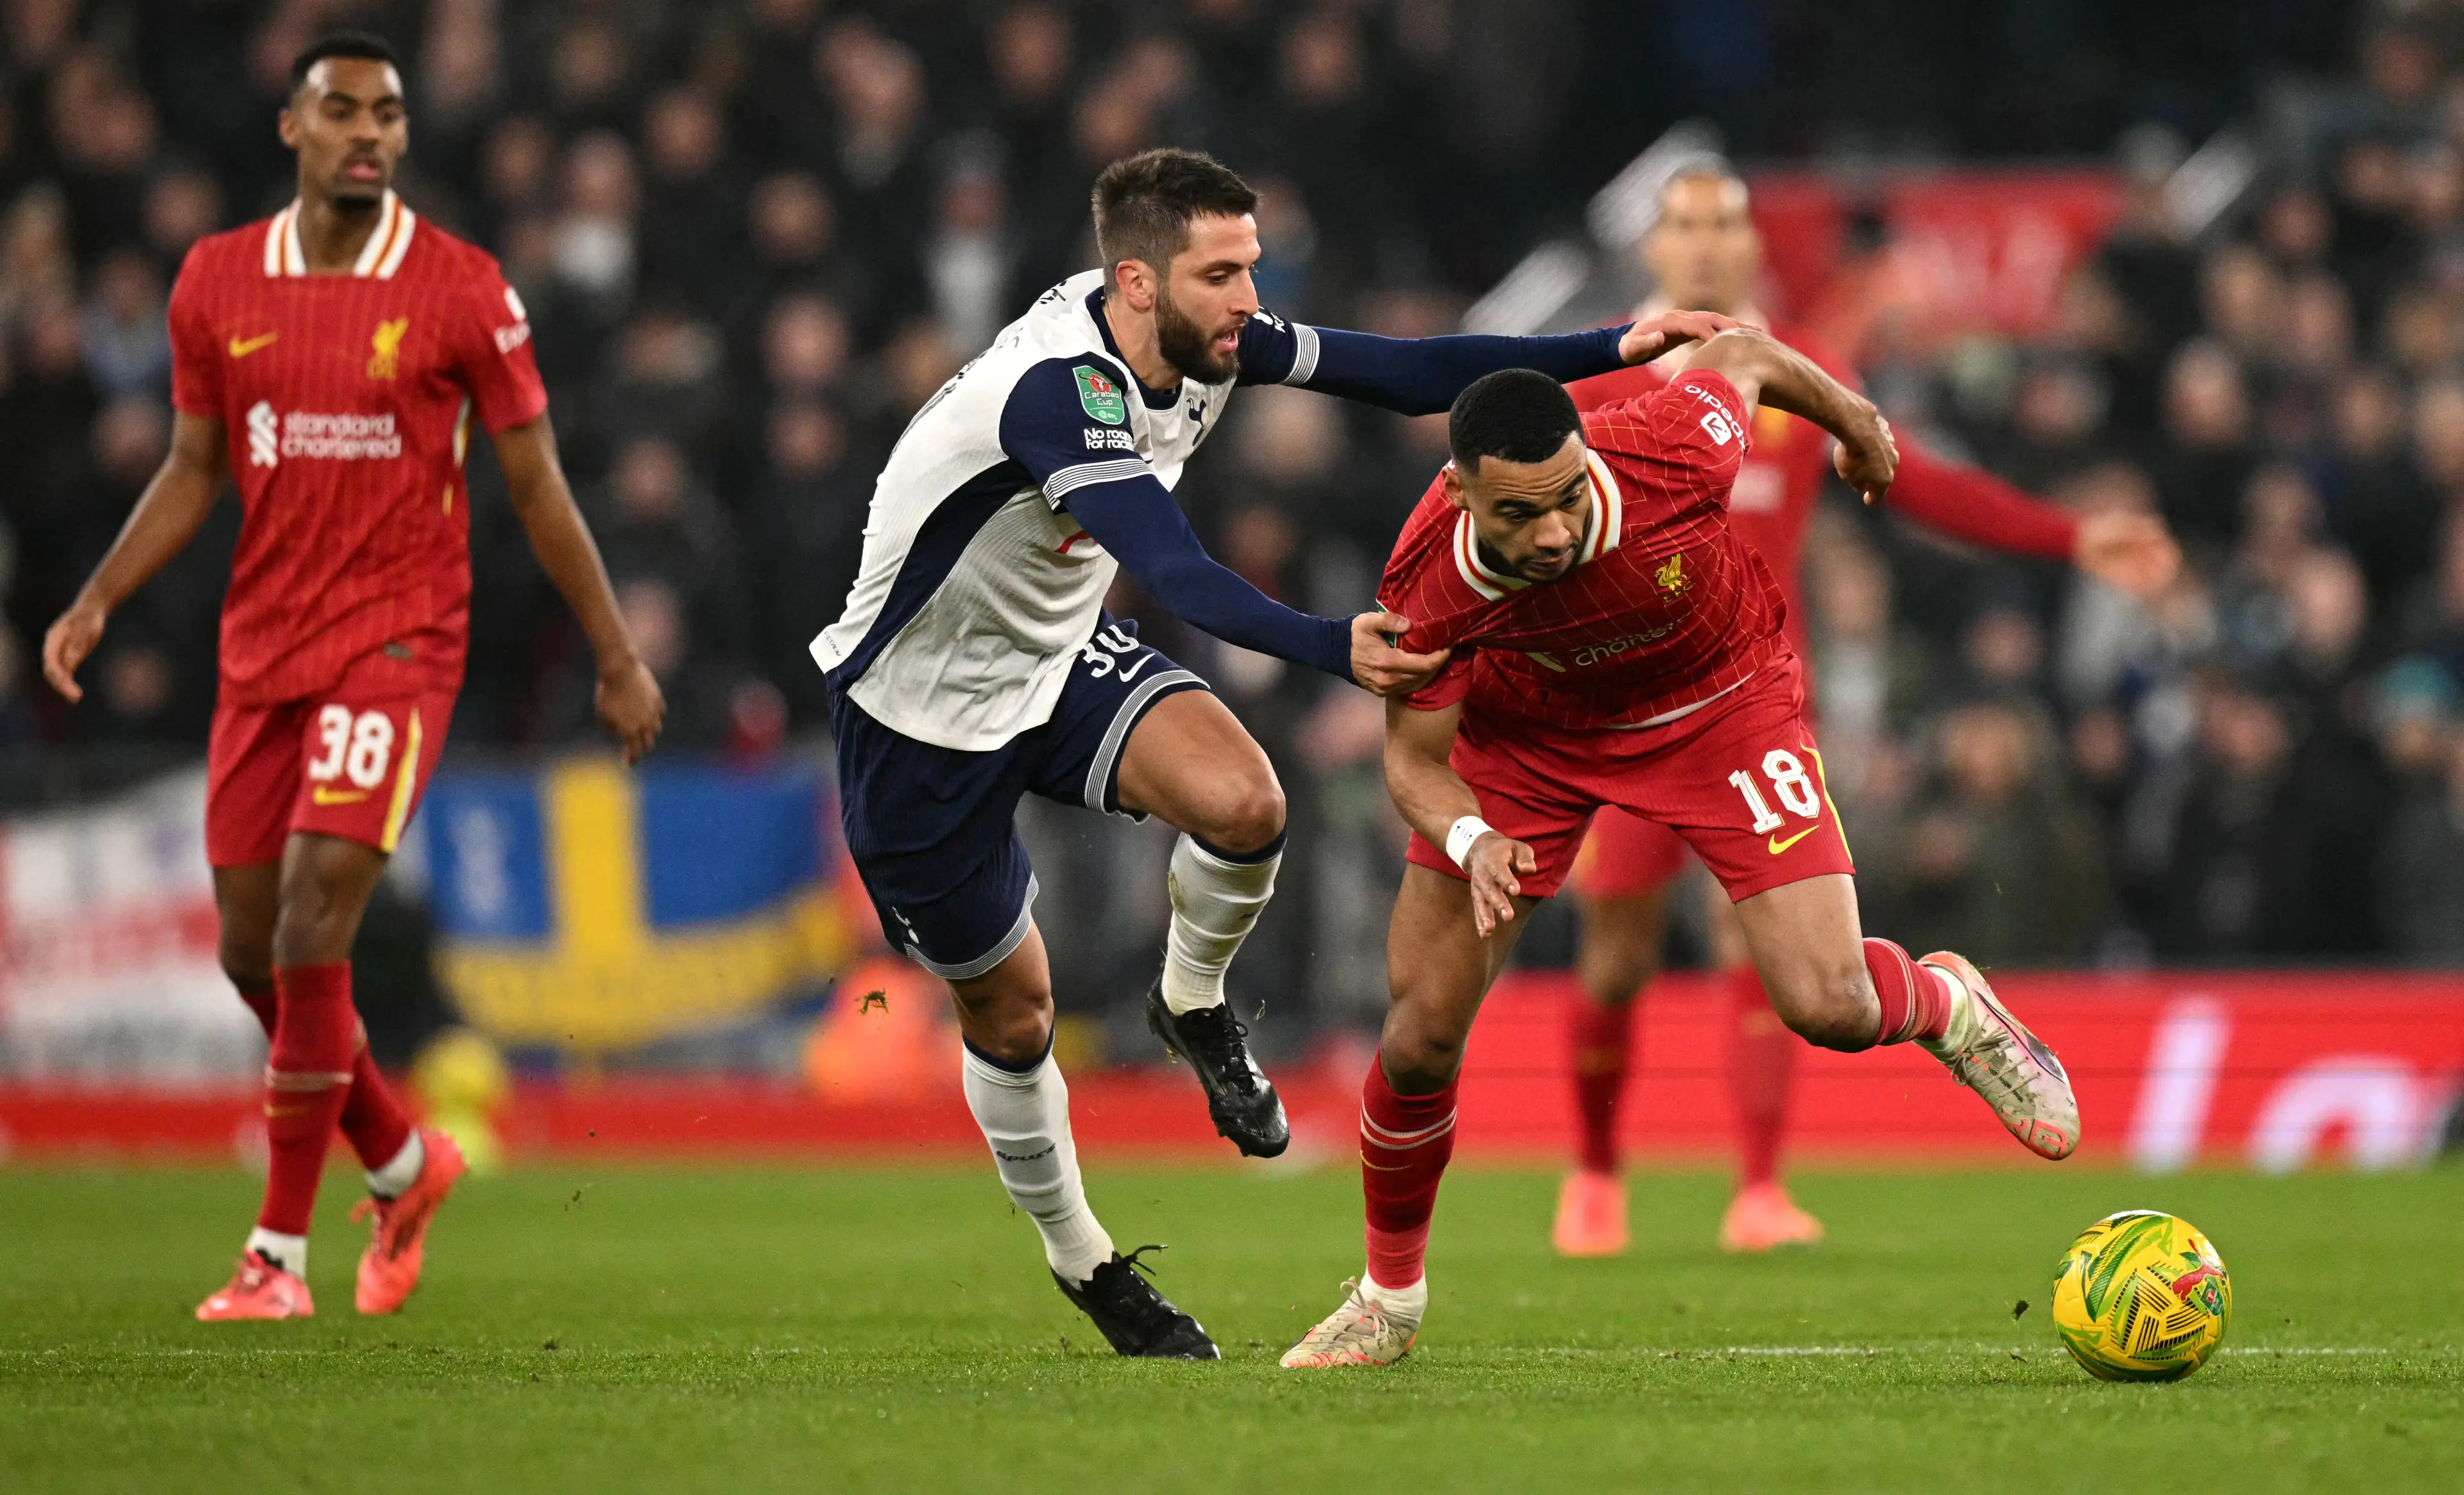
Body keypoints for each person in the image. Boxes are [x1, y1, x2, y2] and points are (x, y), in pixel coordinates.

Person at [814, 147, 1729, 1358]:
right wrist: (1329, 645)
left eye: (1252, 267)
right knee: (1016, 1016)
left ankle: (1191, 1003)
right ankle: (1085, 1261)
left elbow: (1413, 377)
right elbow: (1178, 569)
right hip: (915, 719)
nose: (1251, 297)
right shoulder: (1057, 389)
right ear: (1137, 282)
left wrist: (1612, 346)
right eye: (1222, 273)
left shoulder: (1212, 341)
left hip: (1051, 665)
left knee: (1248, 804)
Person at [1281, 336, 2079, 1367]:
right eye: (1519, 513)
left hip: (1720, 706)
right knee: (1421, 1029)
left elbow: (1741, 352)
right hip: (1530, 747)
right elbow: (1416, 763)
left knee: (1829, 1003)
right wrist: (1471, 837)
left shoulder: (1668, 448)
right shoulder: (1428, 575)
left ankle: (1949, 1006)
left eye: (1567, 497)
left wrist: (1857, 424)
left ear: (1588, 462)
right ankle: (1387, 1301)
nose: (1555, 529)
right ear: (1460, 492)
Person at [41, 33, 665, 1321]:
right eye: (342, 110)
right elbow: (193, 465)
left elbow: (537, 482)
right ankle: (398, 1158)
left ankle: (277, 1256)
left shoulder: (459, 287)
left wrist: (614, 651)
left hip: (397, 639)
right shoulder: (215, 280)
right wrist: (100, 596)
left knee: (315, 916)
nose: (368, 131)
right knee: (247, 951)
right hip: (262, 647)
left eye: (388, 111)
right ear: (292, 129)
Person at [1549, 160, 2179, 1256]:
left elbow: (1918, 478)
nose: (1703, 246)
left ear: (1751, 250)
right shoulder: (1598, 379)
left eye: (1724, 227)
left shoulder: (1799, 375)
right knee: (1616, 956)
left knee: (1766, 946)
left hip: (1757, 711)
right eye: (1683, 227)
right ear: (1653, 251)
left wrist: (2071, 536)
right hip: (1629, 711)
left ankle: (1757, 1188)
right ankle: (1597, 1174)